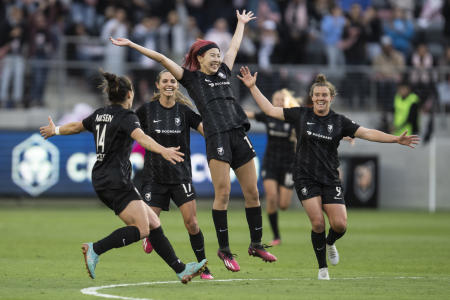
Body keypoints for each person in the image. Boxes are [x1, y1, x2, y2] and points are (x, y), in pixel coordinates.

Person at [110, 10, 277, 273]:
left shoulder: (224, 72)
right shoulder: (191, 79)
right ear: (199, 59)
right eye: (212, 55)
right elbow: (163, 58)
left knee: (253, 193)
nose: (218, 59)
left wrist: (241, 24)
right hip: (217, 137)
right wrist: (132, 44)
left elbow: (234, 47)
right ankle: (224, 250)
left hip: (238, 134)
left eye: (218, 56)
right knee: (222, 195)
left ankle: (256, 244)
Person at [237, 66, 419, 280]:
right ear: (312, 97)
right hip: (305, 176)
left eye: (324, 95)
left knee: (340, 225)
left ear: (331, 97)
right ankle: (322, 268)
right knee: (317, 223)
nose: (320, 98)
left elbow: (367, 133)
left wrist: (396, 139)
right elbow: (269, 110)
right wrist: (252, 87)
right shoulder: (300, 114)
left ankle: (330, 242)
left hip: (330, 178)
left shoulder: (340, 122)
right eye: (317, 95)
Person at [39, 70, 207, 284]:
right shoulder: (127, 117)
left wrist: (56, 130)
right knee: (142, 229)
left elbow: (77, 126)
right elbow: (143, 138)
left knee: (154, 222)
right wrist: (164, 150)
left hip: (103, 178)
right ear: (129, 95)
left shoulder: (100, 113)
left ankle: (181, 269)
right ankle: (95, 249)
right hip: (116, 180)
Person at [136, 70, 213, 280]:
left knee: (193, 224)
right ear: (158, 85)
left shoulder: (185, 111)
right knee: (148, 225)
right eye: (165, 81)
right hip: (154, 177)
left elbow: (207, 130)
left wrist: (220, 139)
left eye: (172, 81)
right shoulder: (146, 111)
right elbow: (129, 129)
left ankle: (203, 266)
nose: (169, 84)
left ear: (177, 86)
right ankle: (149, 237)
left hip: (180, 177)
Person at [245, 89, 299, 246]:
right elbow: (250, 115)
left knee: (283, 205)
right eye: (277, 99)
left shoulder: (294, 119)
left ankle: (276, 233)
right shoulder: (268, 115)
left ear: (287, 101)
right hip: (270, 162)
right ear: (272, 101)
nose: (280, 102)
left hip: (288, 164)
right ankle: (276, 236)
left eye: (283, 99)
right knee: (271, 197)